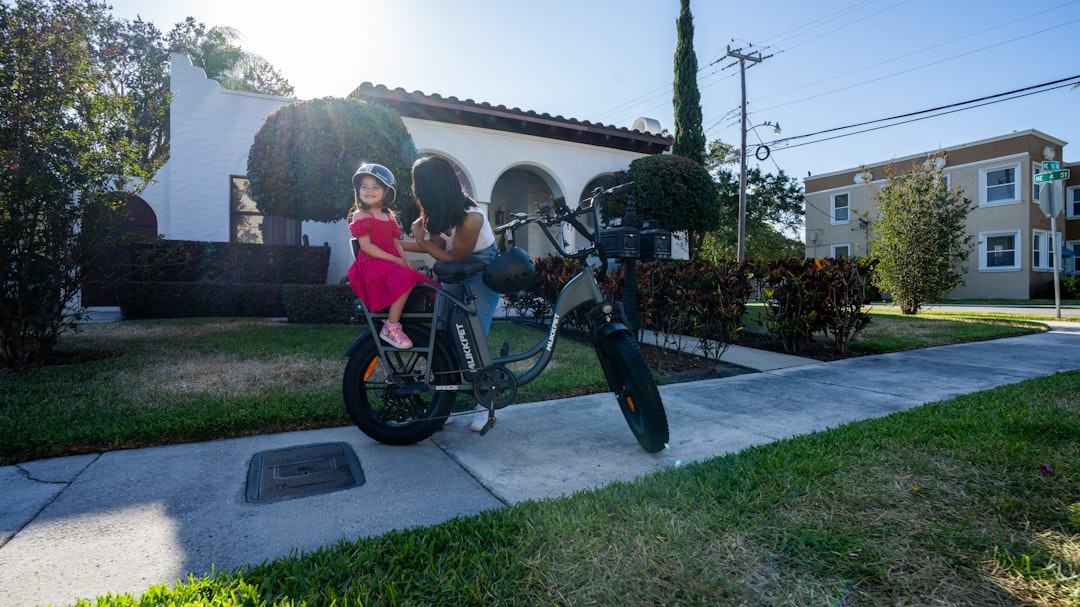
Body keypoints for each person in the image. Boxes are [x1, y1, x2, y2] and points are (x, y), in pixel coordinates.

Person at [404, 156, 500, 431]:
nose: (414, 190)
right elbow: (433, 246)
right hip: (455, 268)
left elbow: (456, 256)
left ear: (432, 187)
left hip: (481, 268)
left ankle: (487, 402)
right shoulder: (437, 211)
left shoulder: (471, 217)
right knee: (446, 334)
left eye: (417, 185)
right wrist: (395, 245)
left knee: (473, 336)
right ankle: (444, 402)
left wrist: (420, 241)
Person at [346, 163, 437, 350]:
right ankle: (391, 326)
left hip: (389, 262)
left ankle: (431, 328)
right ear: (358, 190)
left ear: (386, 192)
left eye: (375, 187)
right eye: (364, 186)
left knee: (421, 280)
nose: (369, 191)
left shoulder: (389, 217)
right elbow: (367, 246)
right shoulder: (360, 215)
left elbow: (396, 245)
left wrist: (405, 262)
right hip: (372, 263)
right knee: (403, 277)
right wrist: (395, 260)